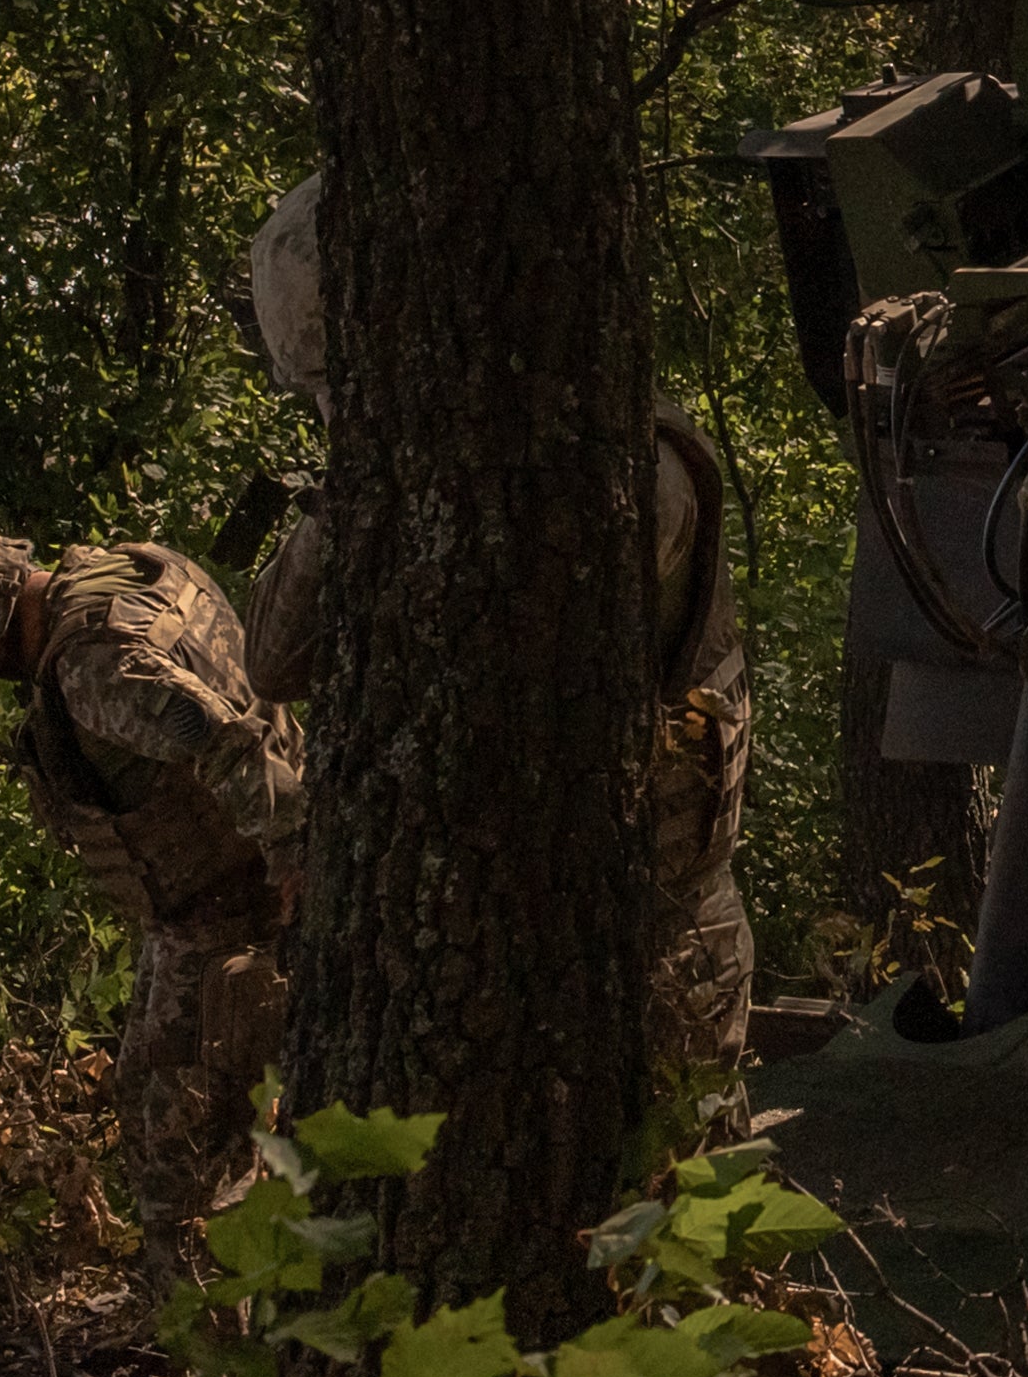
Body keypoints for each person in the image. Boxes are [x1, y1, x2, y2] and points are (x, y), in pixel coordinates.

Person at [233, 173, 754, 1093]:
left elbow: (512, 659)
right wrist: (359, 483)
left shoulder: (621, 466)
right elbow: (271, 659)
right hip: (502, 970)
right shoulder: (425, 475)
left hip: (652, 953)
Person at [0, 529, 300, 1240]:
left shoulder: (94, 666)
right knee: (145, 1096)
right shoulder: (140, 568)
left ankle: (213, 1336)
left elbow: (223, 739)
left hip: (232, 908)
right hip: (207, 907)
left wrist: (296, 861)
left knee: (183, 1155)